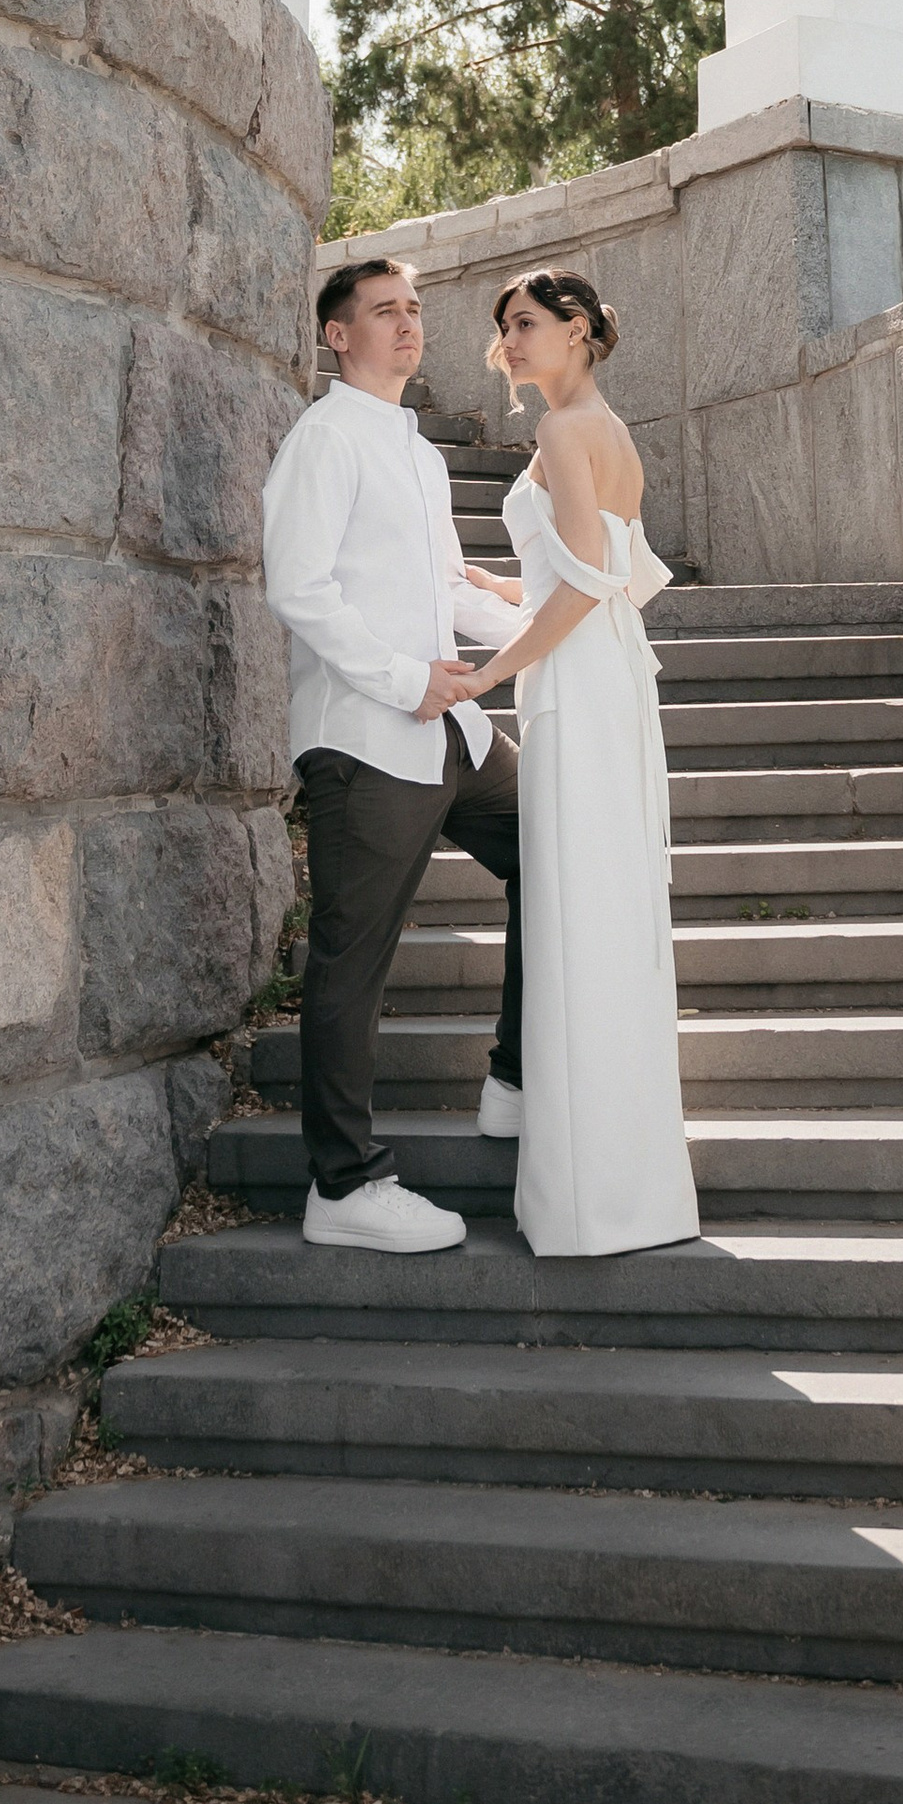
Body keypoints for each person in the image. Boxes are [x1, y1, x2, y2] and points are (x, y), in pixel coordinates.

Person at [261, 255, 528, 1252]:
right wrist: (402, 678)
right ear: (338, 335)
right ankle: (343, 1185)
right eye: (384, 312)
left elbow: (432, 581)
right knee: (350, 965)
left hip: (452, 732)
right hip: (367, 738)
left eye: (413, 309)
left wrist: (536, 606)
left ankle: (514, 1075)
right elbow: (299, 587)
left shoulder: (413, 447)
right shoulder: (324, 439)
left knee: (558, 850)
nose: (408, 324)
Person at [430, 268, 699, 1258]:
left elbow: (587, 584)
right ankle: (622, 1184)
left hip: (579, 689)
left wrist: (486, 673)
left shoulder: (559, 430)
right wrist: (482, 578)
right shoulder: (606, 427)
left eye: (528, 322)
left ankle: (592, 1194)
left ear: (580, 329)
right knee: (594, 910)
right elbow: (605, 569)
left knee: (578, 912)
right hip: (603, 678)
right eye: (504, 326)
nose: (510, 338)